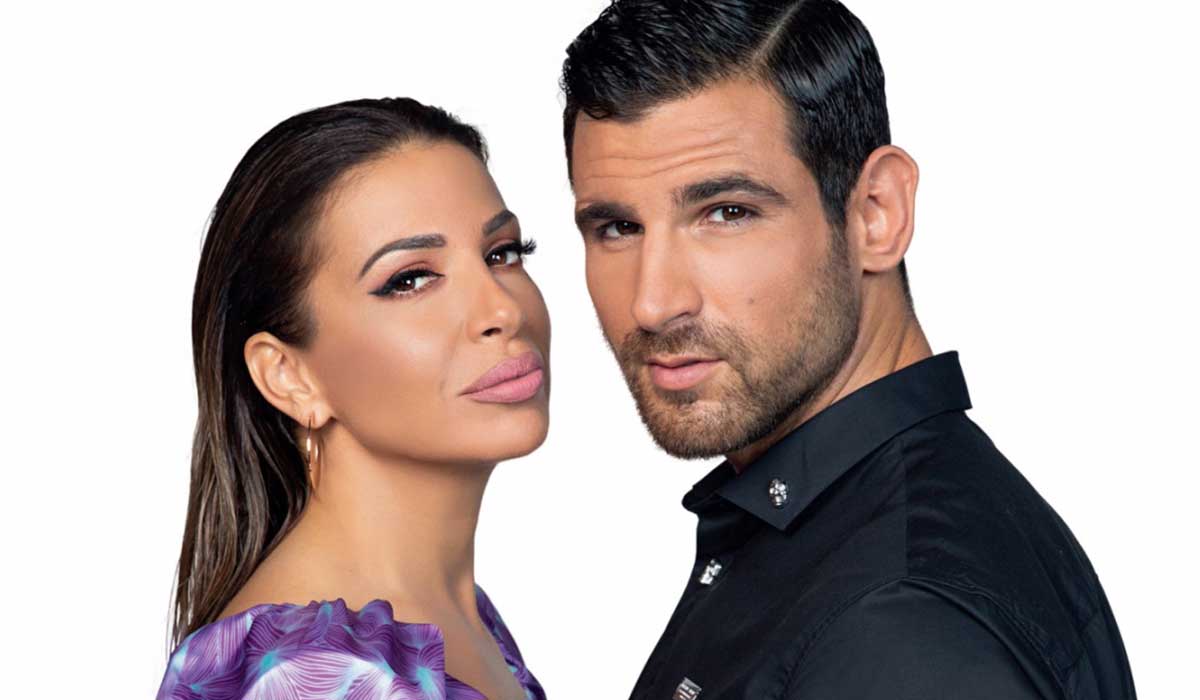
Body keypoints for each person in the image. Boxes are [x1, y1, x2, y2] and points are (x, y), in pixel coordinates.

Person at [560, 1, 1136, 698]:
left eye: (727, 213)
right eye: (617, 228)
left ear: (876, 214)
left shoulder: (901, 625)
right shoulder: (841, 531)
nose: (652, 304)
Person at [155, 97, 549, 700]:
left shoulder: (457, 617)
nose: (503, 309)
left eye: (503, 253)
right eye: (410, 279)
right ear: (288, 376)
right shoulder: (315, 674)